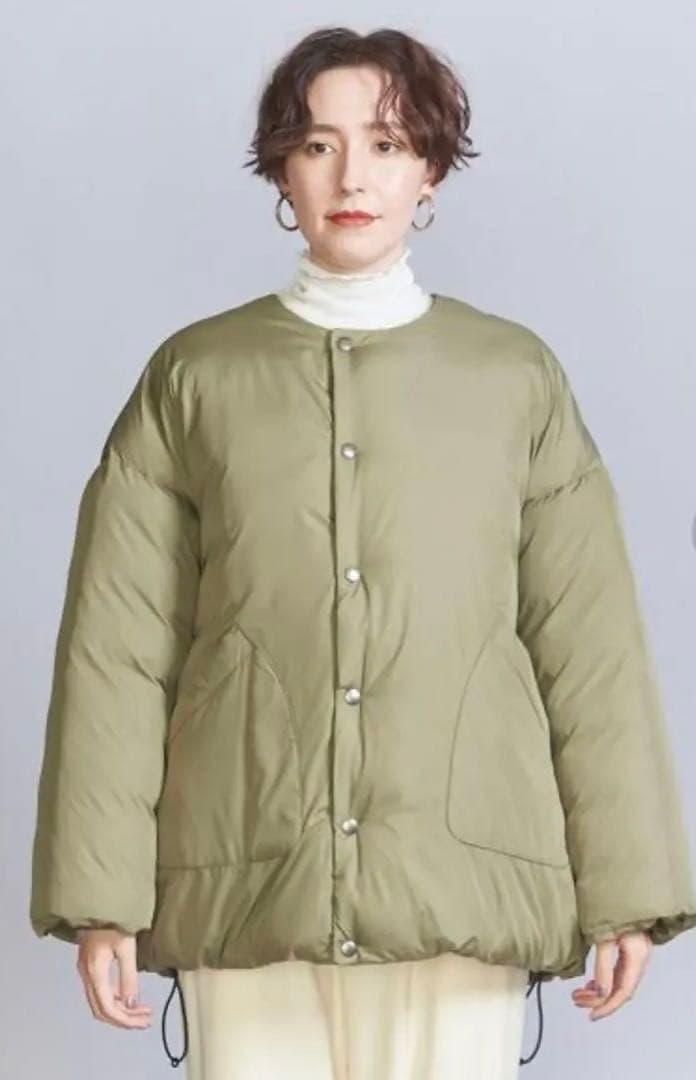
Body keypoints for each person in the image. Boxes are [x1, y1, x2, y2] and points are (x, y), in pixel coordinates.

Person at [29, 24, 696, 1080]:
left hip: (459, 887)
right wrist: (102, 898)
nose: (352, 177)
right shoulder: (194, 379)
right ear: (281, 171)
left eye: (386, 144)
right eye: (318, 144)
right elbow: (117, 652)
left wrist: (626, 891)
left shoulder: (513, 378)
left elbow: (589, 645)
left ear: (430, 169)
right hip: (249, 884)